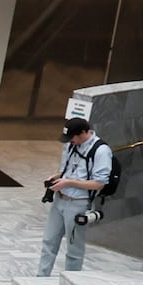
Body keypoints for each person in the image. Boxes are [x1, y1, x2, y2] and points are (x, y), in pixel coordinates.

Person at [39, 117, 112, 275]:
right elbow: (66, 170)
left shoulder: (101, 151)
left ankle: (71, 279)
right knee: (49, 241)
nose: (70, 141)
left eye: (72, 137)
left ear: (84, 133)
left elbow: (99, 183)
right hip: (60, 199)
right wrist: (56, 178)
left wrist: (69, 182)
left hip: (78, 204)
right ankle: (41, 277)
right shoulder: (70, 145)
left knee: (74, 248)